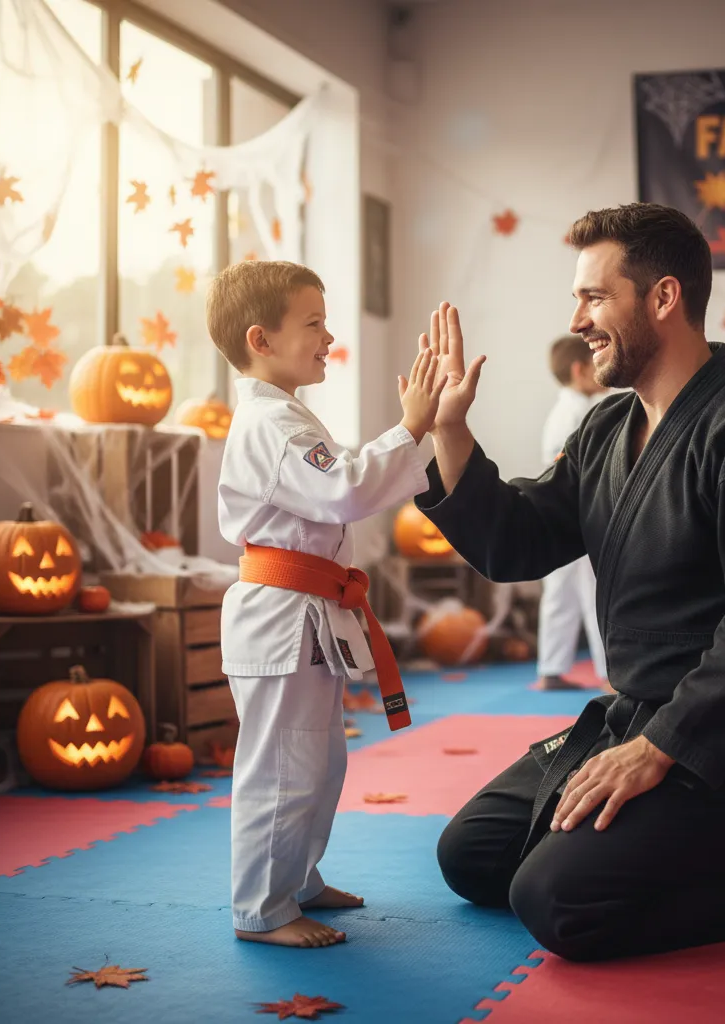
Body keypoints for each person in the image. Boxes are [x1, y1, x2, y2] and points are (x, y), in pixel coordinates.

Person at [415, 203, 725, 965]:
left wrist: (660, 746)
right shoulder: (605, 430)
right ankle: (715, 842)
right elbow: (519, 539)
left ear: (663, 297)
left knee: (555, 900)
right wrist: (450, 430)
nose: (578, 321)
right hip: (635, 716)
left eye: (595, 297)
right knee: (473, 855)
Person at [208, 260, 445, 948]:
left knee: (316, 762)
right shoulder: (272, 424)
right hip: (281, 615)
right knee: (283, 767)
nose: (329, 337)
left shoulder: (284, 414)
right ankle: (262, 908)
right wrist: (409, 428)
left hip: (305, 612)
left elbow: (337, 484)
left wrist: (411, 434)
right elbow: (343, 489)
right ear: (261, 339)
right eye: (313, 324)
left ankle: (299, 880)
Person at [537, 336, 609, 690]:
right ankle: (610, 674)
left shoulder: (569, 410)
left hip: (559, 514)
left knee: (561, 593)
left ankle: (550, 669)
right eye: (597, 363)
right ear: (580, 370)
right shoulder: (578, 414)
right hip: (580, 513)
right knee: (597, 592)